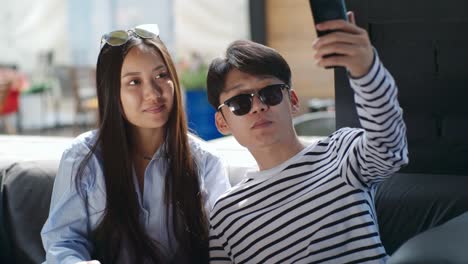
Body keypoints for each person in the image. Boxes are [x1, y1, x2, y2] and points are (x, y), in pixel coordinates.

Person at [206, 12, 408, 263]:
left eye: (270, 93)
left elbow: (389, 147)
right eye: (239, 102)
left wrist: (365, 69)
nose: (258, 106)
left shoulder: (340, 153)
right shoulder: (226, 215)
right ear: (222, 121)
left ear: (292, 101)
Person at [41, 24, 230, 264]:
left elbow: (225, 247)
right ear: (111, 91)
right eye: (134, 82)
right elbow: (62, 243)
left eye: (161, 76)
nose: (153, 93)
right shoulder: (83, 158)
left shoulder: (206, 162)